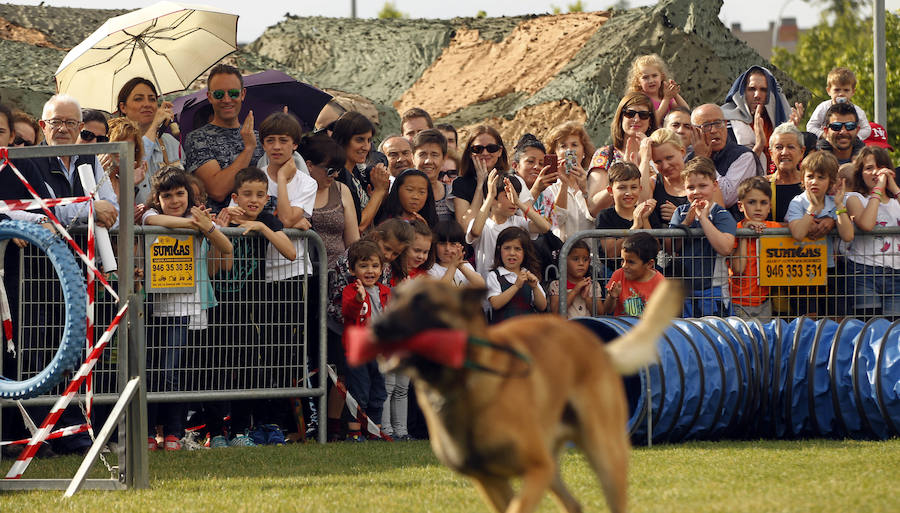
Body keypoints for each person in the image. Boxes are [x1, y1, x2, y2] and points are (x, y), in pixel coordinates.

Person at [141, 168, 233, 450]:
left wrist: (207, 226)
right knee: (155, 371)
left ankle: (174, 432)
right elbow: (157, 218)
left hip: (192, 308)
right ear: (158, 198)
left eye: (180, 193)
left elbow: (226, 247)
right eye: (167, 195)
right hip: (156, 309)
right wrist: (200, 224)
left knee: (179, 372)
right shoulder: (149, 216)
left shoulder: (200, 221)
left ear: (190, 195)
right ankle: (150, 430)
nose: (174, 199)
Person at [212, 167, 296, 446]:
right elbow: (217, 264)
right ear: (235, 196)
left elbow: (291, 251)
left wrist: (261, 226)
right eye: (247, 194)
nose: (254, 200)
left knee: (247, 367)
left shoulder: (266, 219)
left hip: (252, 308)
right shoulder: (224, 217)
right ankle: (214, 432)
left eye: (260, 195)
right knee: (217, 367)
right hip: (220, 306)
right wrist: (220, 229)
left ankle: (239, 431)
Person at [325, 219, 413, 441]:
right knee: (348, 381)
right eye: (388, 249)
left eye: (396, 253)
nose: (391, 256)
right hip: (346, 331)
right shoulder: (352, 261)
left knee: (376, 388)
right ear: (376, 238)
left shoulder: (382, 268)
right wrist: (357, 306)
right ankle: (337, 427)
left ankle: (373, 429)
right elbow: (340, 305)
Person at [184, 64, 264, 213]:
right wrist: (248, 149)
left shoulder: (259, 138)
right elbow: (217, 190)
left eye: (233, 93)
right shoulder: (197, 138)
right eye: (219, 94)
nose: (227, 100)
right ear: (209, 97)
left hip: (257, 231)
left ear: (242, 94)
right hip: (216, 230)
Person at [786, 151, 853, 317]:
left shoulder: (835, 203)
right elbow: (798, 233)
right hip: (803, 272)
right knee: (809, 321)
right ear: (803, 179)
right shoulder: (797, 202)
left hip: (830, 270)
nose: (814, 181)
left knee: (836, 319)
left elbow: (848, 235)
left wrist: (838, 207)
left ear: (831, 181)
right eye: (810, 176)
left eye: (821, 177)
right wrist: (811, 212)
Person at [36, 94, 119, 229]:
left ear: (79, 127)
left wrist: (104, 217)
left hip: (84, 249)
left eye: (70, 123)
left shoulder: (90, 159)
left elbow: (111, 207)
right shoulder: (31, 162)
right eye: (56, 122)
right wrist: (91, 210)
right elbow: (46, 212)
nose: (63, 129)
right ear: (43, 126)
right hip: (46, 248)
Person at [670, 157, 737, 317]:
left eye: (702, 186)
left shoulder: (722, 215)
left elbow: (725, 248)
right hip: (684, 291)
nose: (696, 192)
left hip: (714, 292)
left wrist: (704, 219)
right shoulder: (680, 212)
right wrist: (686, 222)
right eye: (691, 187)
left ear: (714, 185)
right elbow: (670, 246)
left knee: (714, 336)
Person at [341, 239, 390, 442]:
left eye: (375, 266)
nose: (370, 271)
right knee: (359, 392)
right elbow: (348, 311)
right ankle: (354, 432)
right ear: (353, 270)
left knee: (378, 392)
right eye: (363, 266)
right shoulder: (351, 291)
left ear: (382, 268)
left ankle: (374, 430)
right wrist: (359, 299)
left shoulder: (386, 292)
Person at [844, 146, 900, 318]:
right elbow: (867, 224)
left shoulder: (895, 200)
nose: (876, 172)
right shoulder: (854, 198)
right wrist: (878, 190)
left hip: (896, 273)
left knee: (894, 329)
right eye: (869, 168)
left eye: (880, 167)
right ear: (860, 172)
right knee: (869, 326)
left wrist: (894, 188)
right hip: (865, 272)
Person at [467, 171, 551, 278]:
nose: (513, 201)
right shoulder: (481, 223)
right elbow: (475, 231)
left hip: (515, 284)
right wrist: (490, 196)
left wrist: (519, 203)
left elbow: (545, 227)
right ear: (493, 198)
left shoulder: (517, 222)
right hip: (487, 286)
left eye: (516, 196)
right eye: (508, 196)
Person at [117, 77, 184, 205]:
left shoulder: (171, 143)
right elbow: (131, 171)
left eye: (152, 99)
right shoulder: (115, 143)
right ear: (123, 107)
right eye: (138, 99)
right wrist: (154, 126)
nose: (147, 104)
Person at [588, 92, 657, 215]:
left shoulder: (659, 154)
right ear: (621, 118)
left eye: (643, 115)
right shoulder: (605, 155)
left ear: (650, 121)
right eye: (629, 114)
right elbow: (593, 208)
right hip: (613, 229)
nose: (636, 119)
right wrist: (621, 176)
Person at [720, 65, 797, 171]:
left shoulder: (778, 122)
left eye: (763, 90)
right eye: (752, 89)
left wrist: (791, 136)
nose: (757, 95)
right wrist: (759, 145)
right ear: (743, 92)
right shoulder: (725, 122)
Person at [304, 134, 359, 269]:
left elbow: (353, 241)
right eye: (330, 170)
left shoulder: (341, 190)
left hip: (337, 274)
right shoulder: (295, 190)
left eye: (338, 170)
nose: (335, 175)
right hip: (303, 275)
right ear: (309, 165)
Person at [729, 177, 781, 321]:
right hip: (738, 303)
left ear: (770, 206)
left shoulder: (775, 228)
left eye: (763, 203)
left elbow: (796, 229)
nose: (758, 208)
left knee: (763, 342)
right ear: (740, 206)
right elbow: (738, 269)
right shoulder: (736, 230)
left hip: (764, 302)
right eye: (752, 202)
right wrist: (744, 234)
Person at [691, 104, 760, 211]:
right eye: (706, 126)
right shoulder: (689, 159)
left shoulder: (743, 156)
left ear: (726, 124)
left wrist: (703, 161)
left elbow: (726, 198)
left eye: (718, 123)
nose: (713, 130)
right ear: (694, 131)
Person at [331, 111, 390, 232]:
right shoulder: (337, 174)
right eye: (359, 140)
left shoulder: (358, 172)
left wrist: (376, 196)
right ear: (343, 140)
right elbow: (358, 225)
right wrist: (379, 191)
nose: (366, 147)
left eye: (369, 140)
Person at [540, 121, 596, 241]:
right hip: (561, 254)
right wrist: (563, 185)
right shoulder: (548, 185)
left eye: (574, 145)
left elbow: (595, 217)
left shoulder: (595, 181)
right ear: (555, 153)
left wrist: (585, 189)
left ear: (584, 151)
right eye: (563, 146)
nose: (569, 151)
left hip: (590, 254)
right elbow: (556, 221)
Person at [595, 162, 658, 268]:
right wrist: (635, 227)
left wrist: (645, 220)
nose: (628, 193)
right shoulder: (605, 216)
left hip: (646, 272)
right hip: (615, 273)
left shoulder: (648, 213)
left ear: (640, 189)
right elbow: (611, 253)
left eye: (633, 187)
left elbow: (655, 249)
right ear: (610, 190)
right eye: (622, 188)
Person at [451, 125, 512, 229]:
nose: (485, 153)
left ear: (499, 151)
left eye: (491, 148)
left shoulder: (510, 181)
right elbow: (465, 227)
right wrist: (480, 184)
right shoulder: (460, 184)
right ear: (470, 153)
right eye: (477, 149)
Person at [486, 227, 547, 323]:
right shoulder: (494, 276)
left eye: (517, 249)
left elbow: (542, 306)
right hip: (503, 331)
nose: (512, 253)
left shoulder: (529, 275)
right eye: (507, 248)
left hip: (527, 330)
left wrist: (535, 287)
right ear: (499, 250)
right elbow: (495, 303)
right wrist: (516, 286)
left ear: (525, 252)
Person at [602, 232, 666, 316]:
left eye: (631, 262)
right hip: (623, 327)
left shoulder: (660, 283)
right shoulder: (619, 275)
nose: (624, 266)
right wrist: (612, 297)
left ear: (649, 264)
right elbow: (607, 310)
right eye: (623, 260)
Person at [806, 67, 872, 140]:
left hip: (849, 143)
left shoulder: (857, 111)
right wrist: (824, 135)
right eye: (837, 90)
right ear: (828, 91)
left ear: (853, 92)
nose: (841, 94)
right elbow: (811, 126)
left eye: (846, 90)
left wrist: (855, 137)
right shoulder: (823, 107)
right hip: (828, 143)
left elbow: (867, 129)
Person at [626, 54, 690, 126]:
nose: (651, 80)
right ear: (638, 81)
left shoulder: (664, 95)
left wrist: (674, 94)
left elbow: (686, 112)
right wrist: (666, 99)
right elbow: (654, 122)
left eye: (654, 76)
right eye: (645, 77)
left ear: (661, 77)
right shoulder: (640, 99)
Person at [643, 128, 689, 227]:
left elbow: (717, 219)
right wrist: (644, 159)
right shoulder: (653, 183)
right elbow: (641, 204)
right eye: (658, 162)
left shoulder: (702, 180)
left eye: (669, 158)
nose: (665, 166)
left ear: (682, 151)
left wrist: (679, 216)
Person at [548, 239, 603, 318]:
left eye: (585, 259)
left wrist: (587, 297)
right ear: (563, 261)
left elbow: (600, 314)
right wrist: (575, 291)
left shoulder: (593, 285)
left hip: (587, 329)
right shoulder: (556, 286)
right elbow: (556, 313)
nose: (581, 263)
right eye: (576, 259)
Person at [412, 129, 454, 223]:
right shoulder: (402, 193)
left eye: (434, 155)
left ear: (444, 159)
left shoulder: (452, 193)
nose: (428, 161)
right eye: (422, 154)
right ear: (412, 158)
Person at [427, 219, 485, 287]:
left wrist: (460, 266)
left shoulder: (465, 266)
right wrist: (453, 266)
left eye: (453, 244)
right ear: (434, 245)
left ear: (461, 246)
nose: (447, 249)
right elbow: (441, 290)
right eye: (442, 244)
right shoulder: (432, 269)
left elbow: (481, 284)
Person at [103, 117, 148, 201]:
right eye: (117, 144)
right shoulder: (93, 175)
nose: (122, 151)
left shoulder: (122, 181)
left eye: (128, 147)